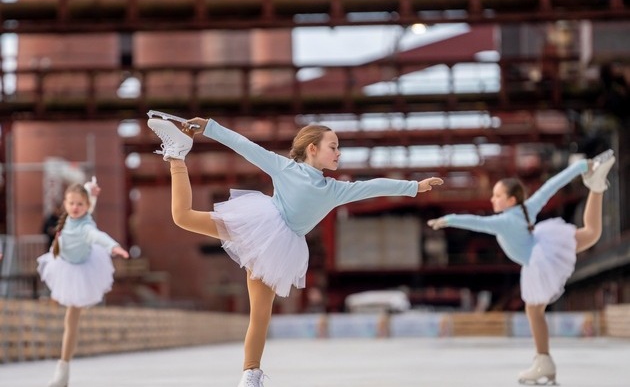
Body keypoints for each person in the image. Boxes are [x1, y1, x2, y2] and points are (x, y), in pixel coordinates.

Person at [146, 116, 444, 387]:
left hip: (279, 246)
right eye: (333, 147)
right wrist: (209, 127)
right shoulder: (284, 167)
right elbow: (244, 145)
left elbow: (373, 186)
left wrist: (414, 187)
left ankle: (251, 375)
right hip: (259, 224)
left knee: (260, 315)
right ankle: (177, 154)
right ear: (312, 149)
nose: (338, 153)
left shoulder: (334, 189)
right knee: (182, 217)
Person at [427, 149, 616, 385]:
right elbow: (552, 185)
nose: (492, 200)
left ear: (511, 200)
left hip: (540, 257)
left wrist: (448, 220)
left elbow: (476, 222)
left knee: (534, 311)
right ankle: (596, 186)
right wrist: (582, 167)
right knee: (590, 233)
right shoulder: (527, 208)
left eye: (497, 195)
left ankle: (544, 361)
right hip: (544, 244)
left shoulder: (503, 221)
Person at [37, 181, 129, 387]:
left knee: (71, 321)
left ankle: (63, 369)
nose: (75, 208)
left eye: (80, 204)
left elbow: (98, 236)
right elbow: (84, 199)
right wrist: (90, 189)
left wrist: (114, 247)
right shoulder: (71, 216)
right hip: (62, 264)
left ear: (86, 206)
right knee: (69, 320)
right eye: (71, 203)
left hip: (80, 271)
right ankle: (63, 370)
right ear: (65, 203)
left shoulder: (86, 227)